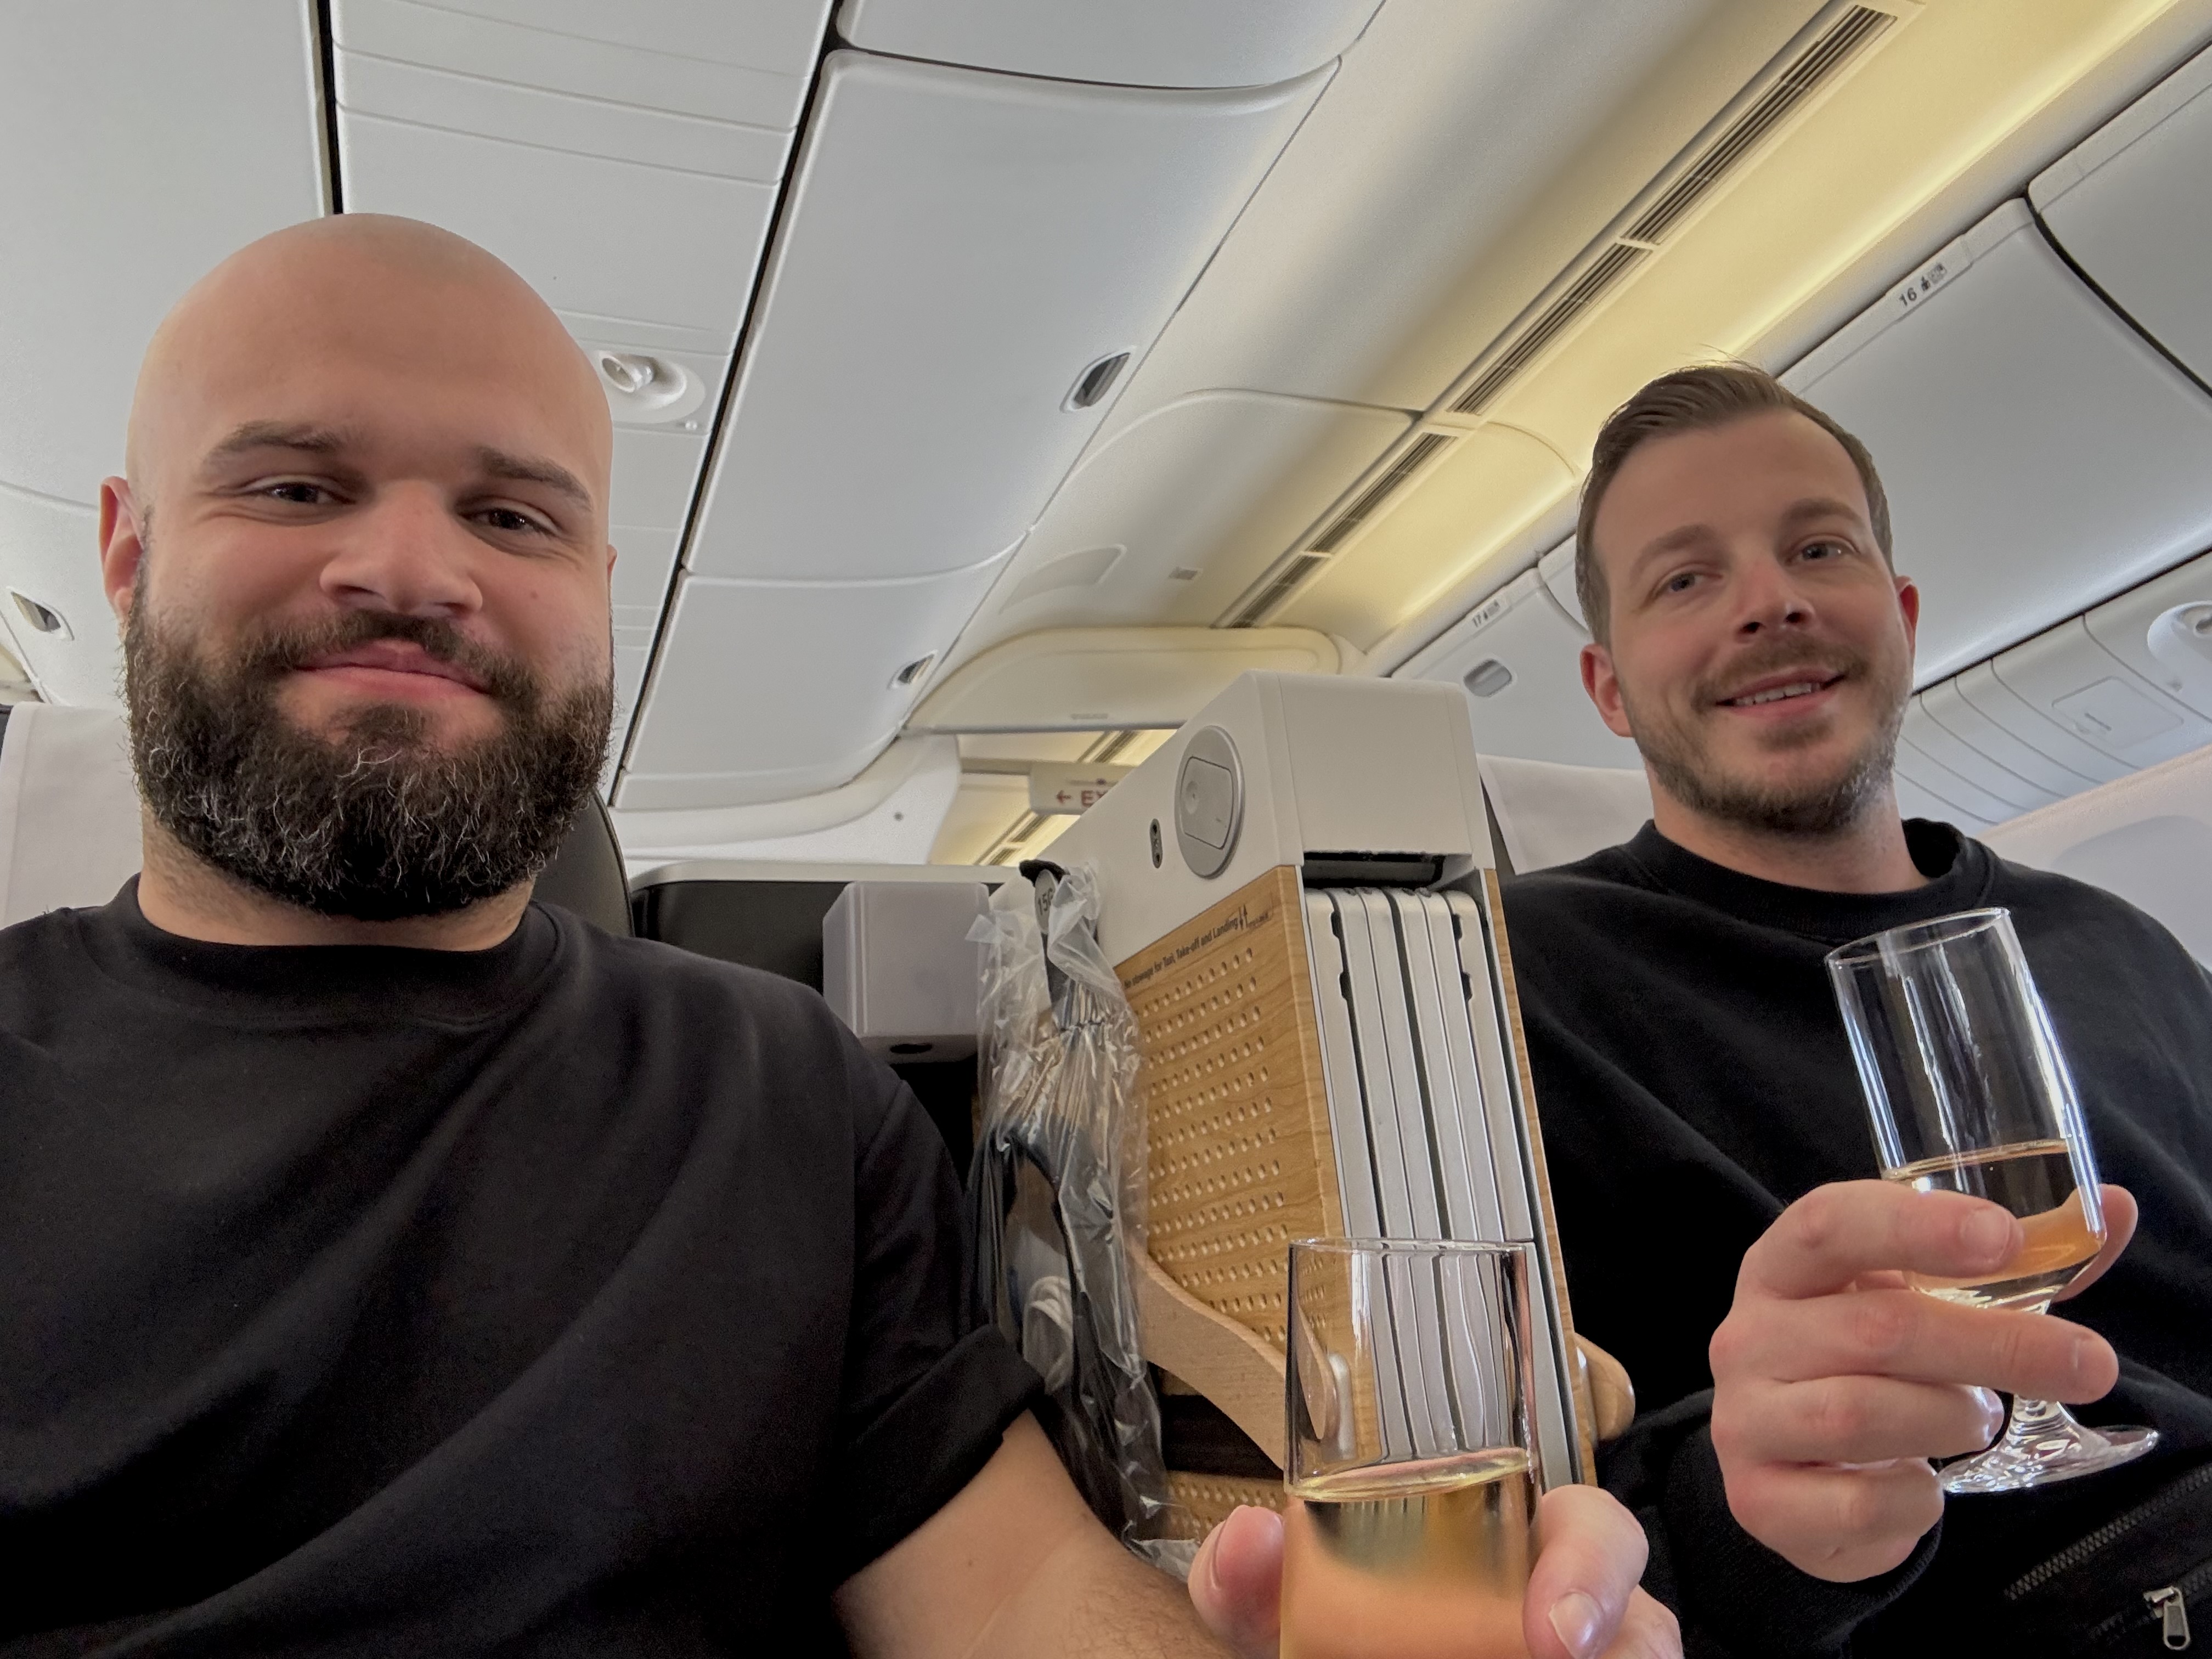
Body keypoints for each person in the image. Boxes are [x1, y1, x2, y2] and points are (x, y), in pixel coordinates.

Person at [0, 214, 1674, 1659]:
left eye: (512, 518)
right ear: (130, 553)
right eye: (298, 484)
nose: (410, 569)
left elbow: (1015, 1595)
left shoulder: (777, 1091)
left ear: (597, 588)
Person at [1499, 364, 2212, 1656]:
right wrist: (1751, 1515)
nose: (1769, 602)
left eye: (1818, 548)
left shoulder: (2124, 947)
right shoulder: (1506, 986)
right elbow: (1543, 1520)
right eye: (1685, 579)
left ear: (1904, 614)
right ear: (1608, 689)